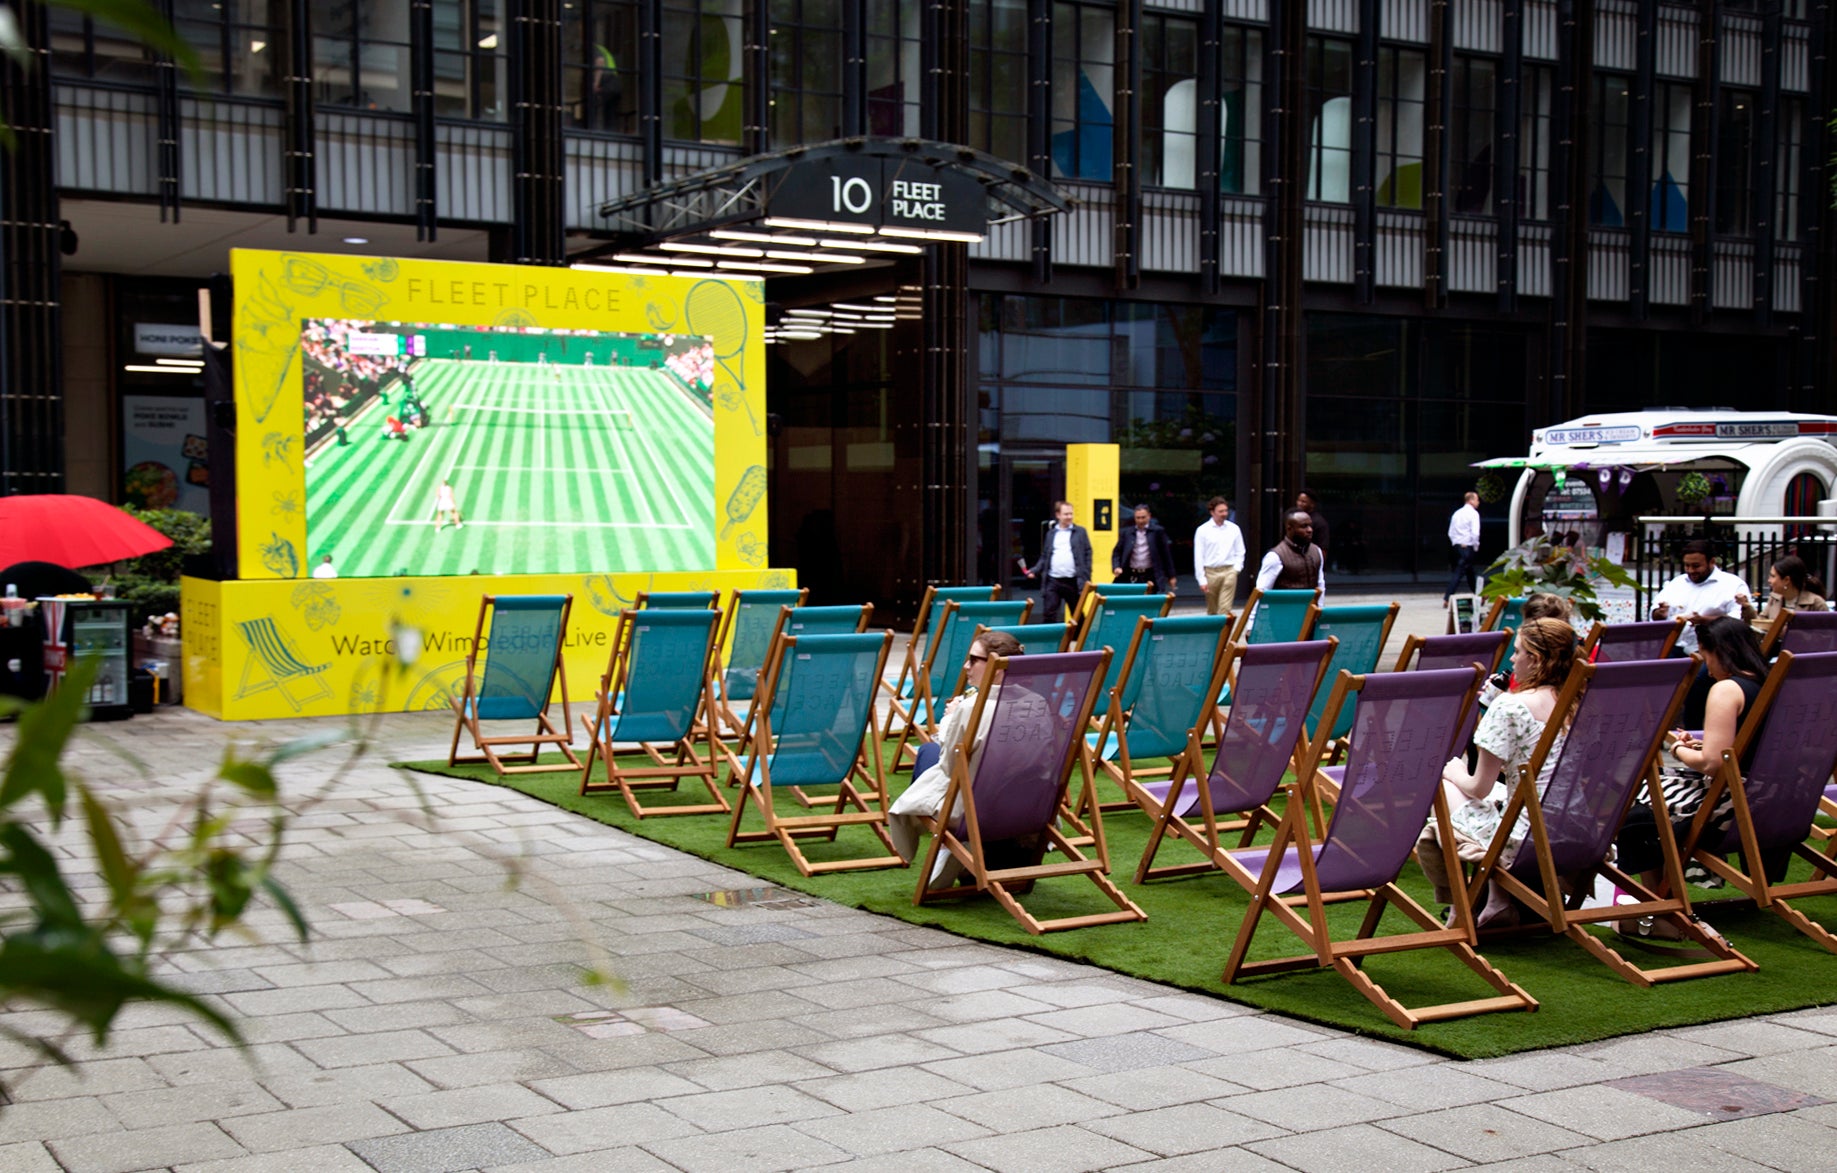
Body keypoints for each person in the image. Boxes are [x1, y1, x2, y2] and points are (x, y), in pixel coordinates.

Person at [1614, 617, 1773, 938]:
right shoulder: (1768, 683)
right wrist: (1703, 746)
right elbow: (1745, 746)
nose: (1704, 663)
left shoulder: (1726, 689)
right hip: (1767, 799)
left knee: (1633, 809)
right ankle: (1660, 903)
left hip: (1728, 805)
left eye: (1704, 654)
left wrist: (1679, 749)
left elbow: (1713, 763)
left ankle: (1660, 907)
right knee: (1648, 799)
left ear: (1720, 652)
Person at [1420, 617, 1578, 919]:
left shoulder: (1510, 707)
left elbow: (1478, 786)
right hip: (1574, 829)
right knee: (1502, 795)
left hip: (1526, 837)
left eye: (1518, 652)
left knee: (1448, 784)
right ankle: (1496, 899)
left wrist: (1454, 772)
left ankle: (1462, 904)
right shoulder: (1577, 702)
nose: (1512, 659)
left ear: (1535, 659)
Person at [888, 630, 1025, 873]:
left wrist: (951, 720)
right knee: (929, 752)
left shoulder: (972, 708)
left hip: (975, 808)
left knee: (928, 753)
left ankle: (944, 845)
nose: (965, 666)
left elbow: (951, 767)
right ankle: (949, 848)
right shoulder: (1037, 702)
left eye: (974, 660)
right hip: (1024, 806)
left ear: (999, 667)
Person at [1650, 539, 1751, 655]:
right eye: (1687, 565)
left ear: (1712, 562)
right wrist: (1659, 613)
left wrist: (1704, 620)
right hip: (1674, 645)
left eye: (1696, 566)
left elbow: (1738, 620)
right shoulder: (1677, 583)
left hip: (1713, 649)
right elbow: (1655, 613)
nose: (1691, 570)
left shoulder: (1733, 584)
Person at [1022, 501, 1090, 624]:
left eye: (1071, 514)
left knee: (1077, 614)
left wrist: (1086, 574)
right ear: (1058, 515)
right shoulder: (1051, 534)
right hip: (1053, 580)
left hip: (1073, 580)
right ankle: (1050, 641)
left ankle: (1081, 641)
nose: (1069, 517)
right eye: (1066, 514)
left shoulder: (1080, 532)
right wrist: (1035, 570)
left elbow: (1087, 553)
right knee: (1049, 613)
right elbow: (1045, 556)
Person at [1193, 496, 1246, 616]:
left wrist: (1236, 569)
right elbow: (1199, 556)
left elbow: (1240, 550)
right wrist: (1201, 579)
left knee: (1225, 608)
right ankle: (1214, 633)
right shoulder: (1203, 530)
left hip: (1229, 571)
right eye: (1220, 511)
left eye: (1226, 511)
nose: (1224, 514)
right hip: (1211, 572)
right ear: (1212, 512)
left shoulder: (1234, 529)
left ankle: (1223, 633)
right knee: (1212, 609)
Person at [1750, 554, 1828, 636]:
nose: (1769, 580)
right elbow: (1760, 623)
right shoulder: (1774, 598)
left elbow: (1825, 635)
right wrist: (1747, 608)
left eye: (1773, 576)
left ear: (1787, 580)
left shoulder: (1816, 603)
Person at [1254, 509, 1326, 596]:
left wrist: (1319, 607)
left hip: (1311, 607)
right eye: (1304, 526)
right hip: (1285, 607)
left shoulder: (1316, 551)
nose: (1310, 530)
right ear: (1289, 528)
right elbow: (1262, 590)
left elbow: (1320, 584)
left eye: (1310, 525)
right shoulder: (1275, 556)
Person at [1111, 504, 1176, 593]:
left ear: (1149, 516)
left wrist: (1171, 576)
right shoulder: (1127, 533)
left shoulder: (1157, 532)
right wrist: (1116, 567)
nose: (1140, 520)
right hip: (1131, 574)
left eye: (1143, 517)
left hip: (1150, 575)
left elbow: (1166, 555)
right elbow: (1117, 552)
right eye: (1138, 518)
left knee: (1151, 603)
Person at [1445, 491, 1482, 604]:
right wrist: (1475, 546)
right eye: (1476, 500)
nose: (1478, 502)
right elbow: (1475, 533)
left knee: (1469, 571)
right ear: (1471, 500)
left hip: (1457, 546)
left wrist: (1456, 543)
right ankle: (1447, 597)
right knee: (1460, 571)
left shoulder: (1457, 513)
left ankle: (1479, 594)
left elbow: (1451, 532)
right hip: (1468, 545)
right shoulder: (1473, 514)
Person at [1296, 489, 1329, 570]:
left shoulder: (1319, 522)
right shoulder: (1296, 519)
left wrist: (1318, 568)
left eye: (1303, 502)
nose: (1299, 504)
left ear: (1312, 504)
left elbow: (1323, 549)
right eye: (1298, 500)